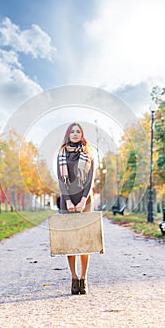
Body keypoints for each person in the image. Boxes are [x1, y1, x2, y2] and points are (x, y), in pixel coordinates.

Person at [57, 122, 94, 295]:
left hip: (84, 201)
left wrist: (83, 201)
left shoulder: (88, 154)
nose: (75, 134)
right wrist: (69, 202)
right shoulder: (61, 154)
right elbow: (61, 181)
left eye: (78, 131)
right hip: (67, 201)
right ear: (68, 134)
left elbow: (90, 181)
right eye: (72, 131)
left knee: (85, 242)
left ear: (82, 135)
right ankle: (74, 277)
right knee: (70, 243)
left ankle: (84, 278)